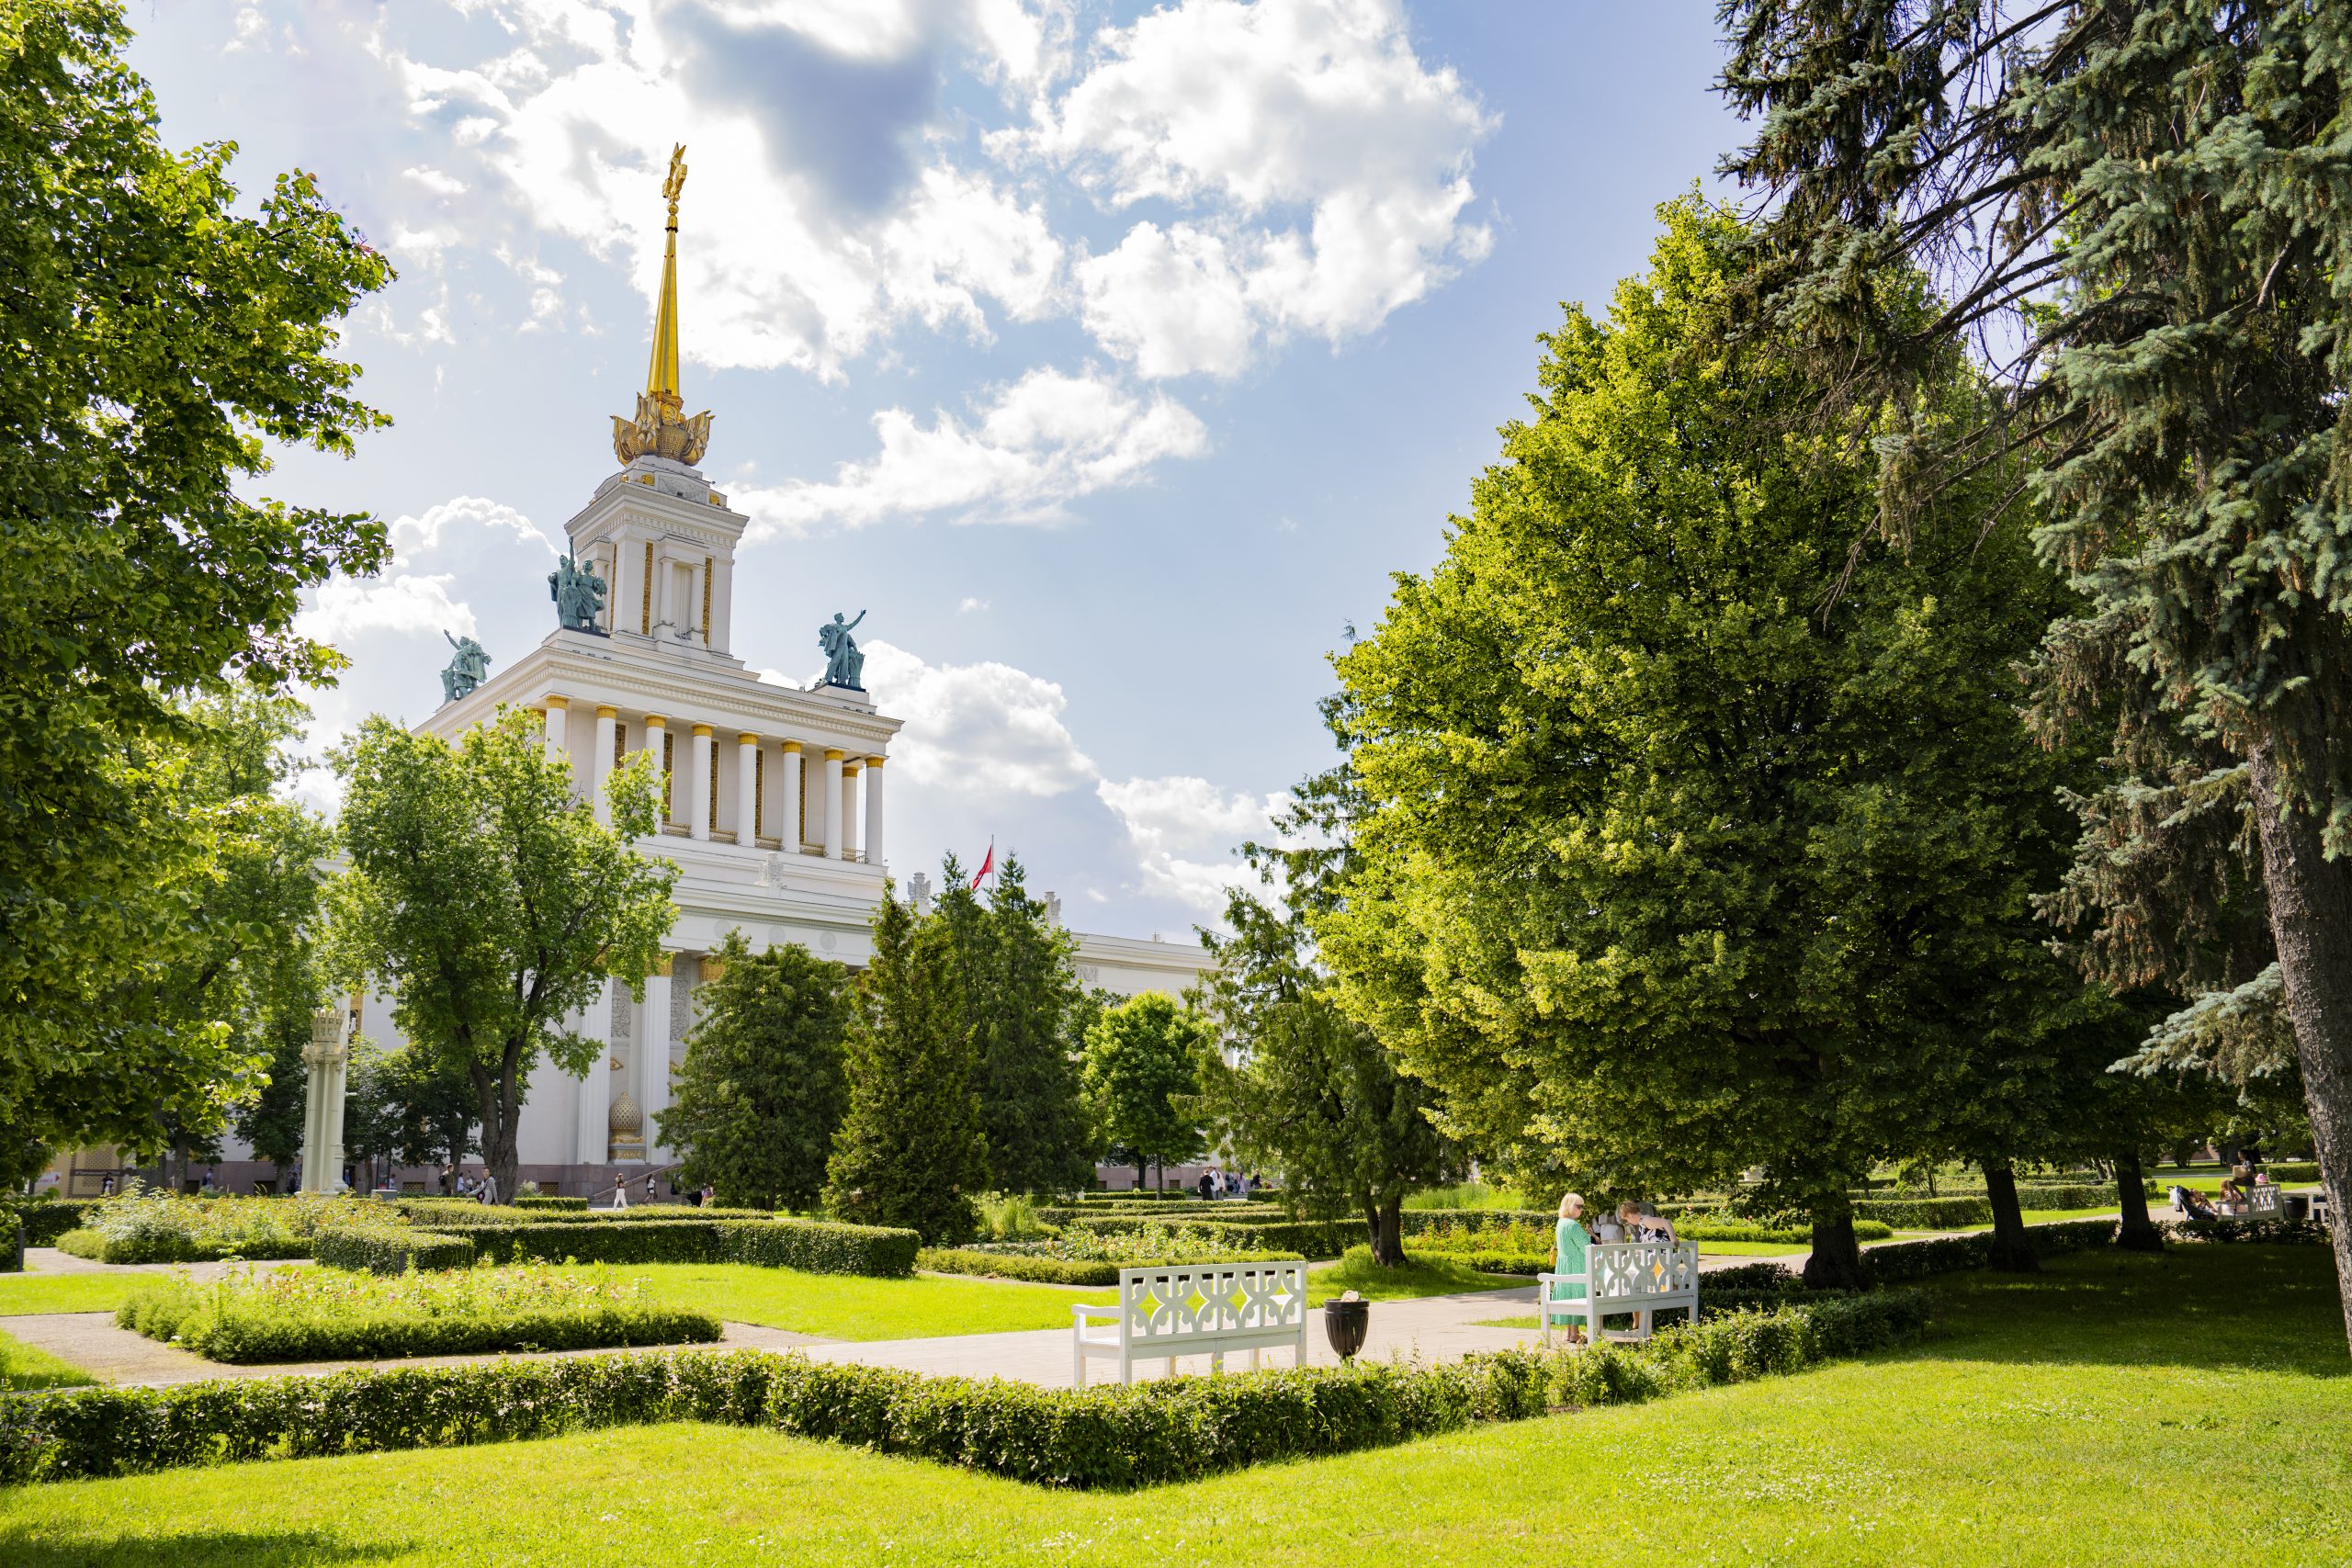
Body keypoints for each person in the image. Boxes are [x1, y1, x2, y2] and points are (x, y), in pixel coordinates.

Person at [1552, 1192, 1593, 1346]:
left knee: (1568, 1296)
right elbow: (1585, 1246)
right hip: (1575, 1265)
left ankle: (1571, 1333)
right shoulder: (1573, 1225)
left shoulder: (1561, 1222)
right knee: (1577, 1296)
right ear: (1569, 1206)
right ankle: (1575, 1334)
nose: (1581, 1209)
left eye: (1582, 1206)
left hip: (1564, 1265)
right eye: (1578, 1206)